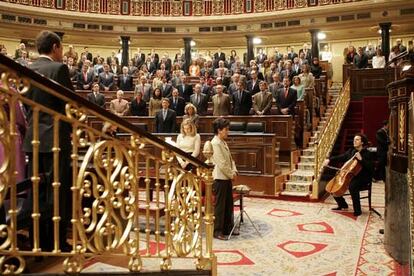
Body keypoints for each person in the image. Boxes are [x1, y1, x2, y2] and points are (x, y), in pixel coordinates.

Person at [24, 30, 73, 251]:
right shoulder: (58, 69)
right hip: (55, 139)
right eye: (61, 48)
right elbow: (70, 105)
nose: (62, 53)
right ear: (55, 47)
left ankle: (37, 239)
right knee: (57, 190)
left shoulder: (27, 68)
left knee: (37, 191)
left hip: (32, 139)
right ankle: (56, 242)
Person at [323, 133, 374, 216]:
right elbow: (341, 157)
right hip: (351, 175)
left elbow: (371, 168)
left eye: (357, 139)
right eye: (354, 139)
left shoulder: (367, 153)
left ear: (362, 142)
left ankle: (358, 210)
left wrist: (361, 159)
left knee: (352, 186)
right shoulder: (351, 151)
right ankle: (342, 204)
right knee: (334, 184)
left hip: (363, 177)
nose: (354, 141)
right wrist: (329, 159)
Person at [211, 118, 238, 240]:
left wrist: (234, 171)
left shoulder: (222, 142)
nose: (228, 131)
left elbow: (230, 159)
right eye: (226, 129)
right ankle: (217, 231)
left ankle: (227, 228)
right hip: (220, 178)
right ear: (219, 130)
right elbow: (221, 163)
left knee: (228, 204)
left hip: (226, 177)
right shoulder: (215, 143)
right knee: (220, 206)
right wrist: (231, 174)